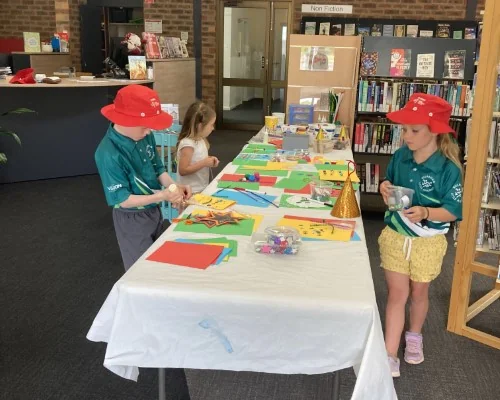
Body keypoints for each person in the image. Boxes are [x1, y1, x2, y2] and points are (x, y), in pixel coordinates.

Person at [378, 93, 463, 378]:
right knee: (397, 294)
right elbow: (388, 179)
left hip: (428, 242)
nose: (406, 136)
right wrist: (385, 187)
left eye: (414, 130)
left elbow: (452, 211)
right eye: (404, 129)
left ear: (435, 131)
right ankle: (390, 353)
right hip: (395, 235)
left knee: (419, 292)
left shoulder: (448, 169)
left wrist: (427, 213)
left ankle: (414, 335)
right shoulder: (401, 156)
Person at [95, 84, 192, 272]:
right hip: (131, 218)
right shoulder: (108, 154)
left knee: (159, 260)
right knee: (140, 270)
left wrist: (174, 188)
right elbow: (123, 200)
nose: (149, 131)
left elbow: (158, 168)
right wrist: (163, 196)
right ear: (127, 120)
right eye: (146, 126)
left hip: (153, 211)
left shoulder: (144, 135)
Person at [176, 101, 219, 193]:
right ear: (200, 126)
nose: (213, 128)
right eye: (211, 125)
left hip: (201, 188)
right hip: (190, 191)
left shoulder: (200, 139)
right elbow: (183, 170)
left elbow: (197, 159)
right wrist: (204, 163)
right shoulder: (188, 144)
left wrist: (209, 160)